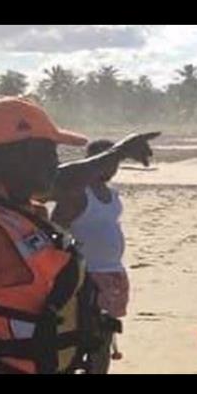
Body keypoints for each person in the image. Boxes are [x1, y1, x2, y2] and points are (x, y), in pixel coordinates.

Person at [0, 97, 159, 374]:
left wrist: (118, 153)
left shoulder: (15, 206)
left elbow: (69, 177)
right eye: (50, 152)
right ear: (22, 155)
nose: (56, 163)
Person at [51, 139, 130, 374]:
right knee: (85, 334)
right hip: (85, 276)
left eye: (114, 162)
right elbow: (55, 231)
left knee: (106, 334)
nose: (110, 167)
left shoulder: (113, 195)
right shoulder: (77, 195)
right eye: (104, 161)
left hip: (113, 273)